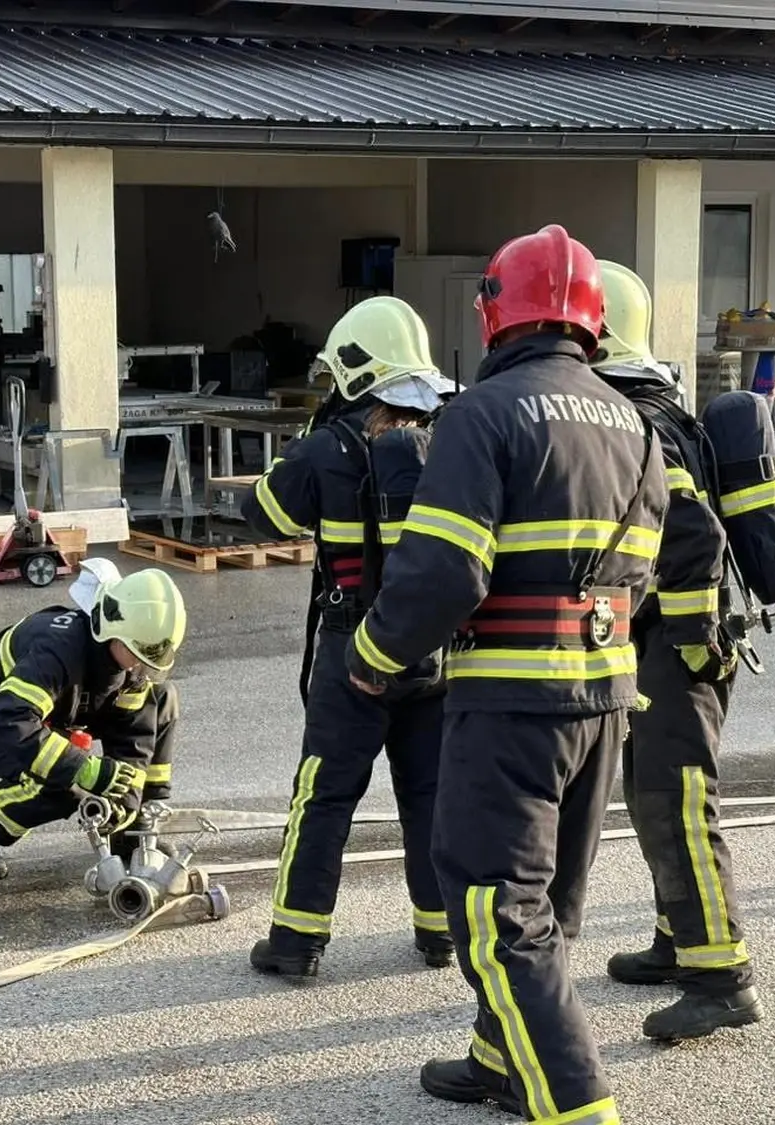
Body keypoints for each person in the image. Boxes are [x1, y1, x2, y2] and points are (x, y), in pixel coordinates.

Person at [345, 225, 669, 1124]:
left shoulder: (483, 416)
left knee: (495, 909)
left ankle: (576, 1104)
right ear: (592, 323)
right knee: (549, 901)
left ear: (496, 314)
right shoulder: (638, 427)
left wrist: (372, 656)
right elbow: (647, 569)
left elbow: (444, 572)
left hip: (511, 708)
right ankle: (500, 1059)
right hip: (603, 701)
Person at [241, 295, 459, 979]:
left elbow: (262, 512)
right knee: (428, 794)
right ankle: (439, 932)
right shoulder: (447, 438)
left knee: (326, 794)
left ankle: (297, 940)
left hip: (351, 647)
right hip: (429, 645)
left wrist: (311, 436)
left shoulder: (328, 446)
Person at [590, 260, 764, 1041]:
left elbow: (692, 532)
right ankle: (676, 938)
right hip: (665, 643)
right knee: (652, 795)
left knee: (679, 802)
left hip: (680, 648)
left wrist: (689, 642)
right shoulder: (650, 405)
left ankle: (719, 976)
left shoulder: (641, 422)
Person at [0, 563, 187, 880]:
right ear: (115, 634)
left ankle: (135, 833)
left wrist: (125, 804)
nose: (142, 670)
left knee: (161, 698)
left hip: (67, 709)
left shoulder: (125, 659)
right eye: (139, 657)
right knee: (65, 785)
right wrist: (83, 768)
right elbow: (13, 722)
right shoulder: (58, 651)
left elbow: (133, 736)